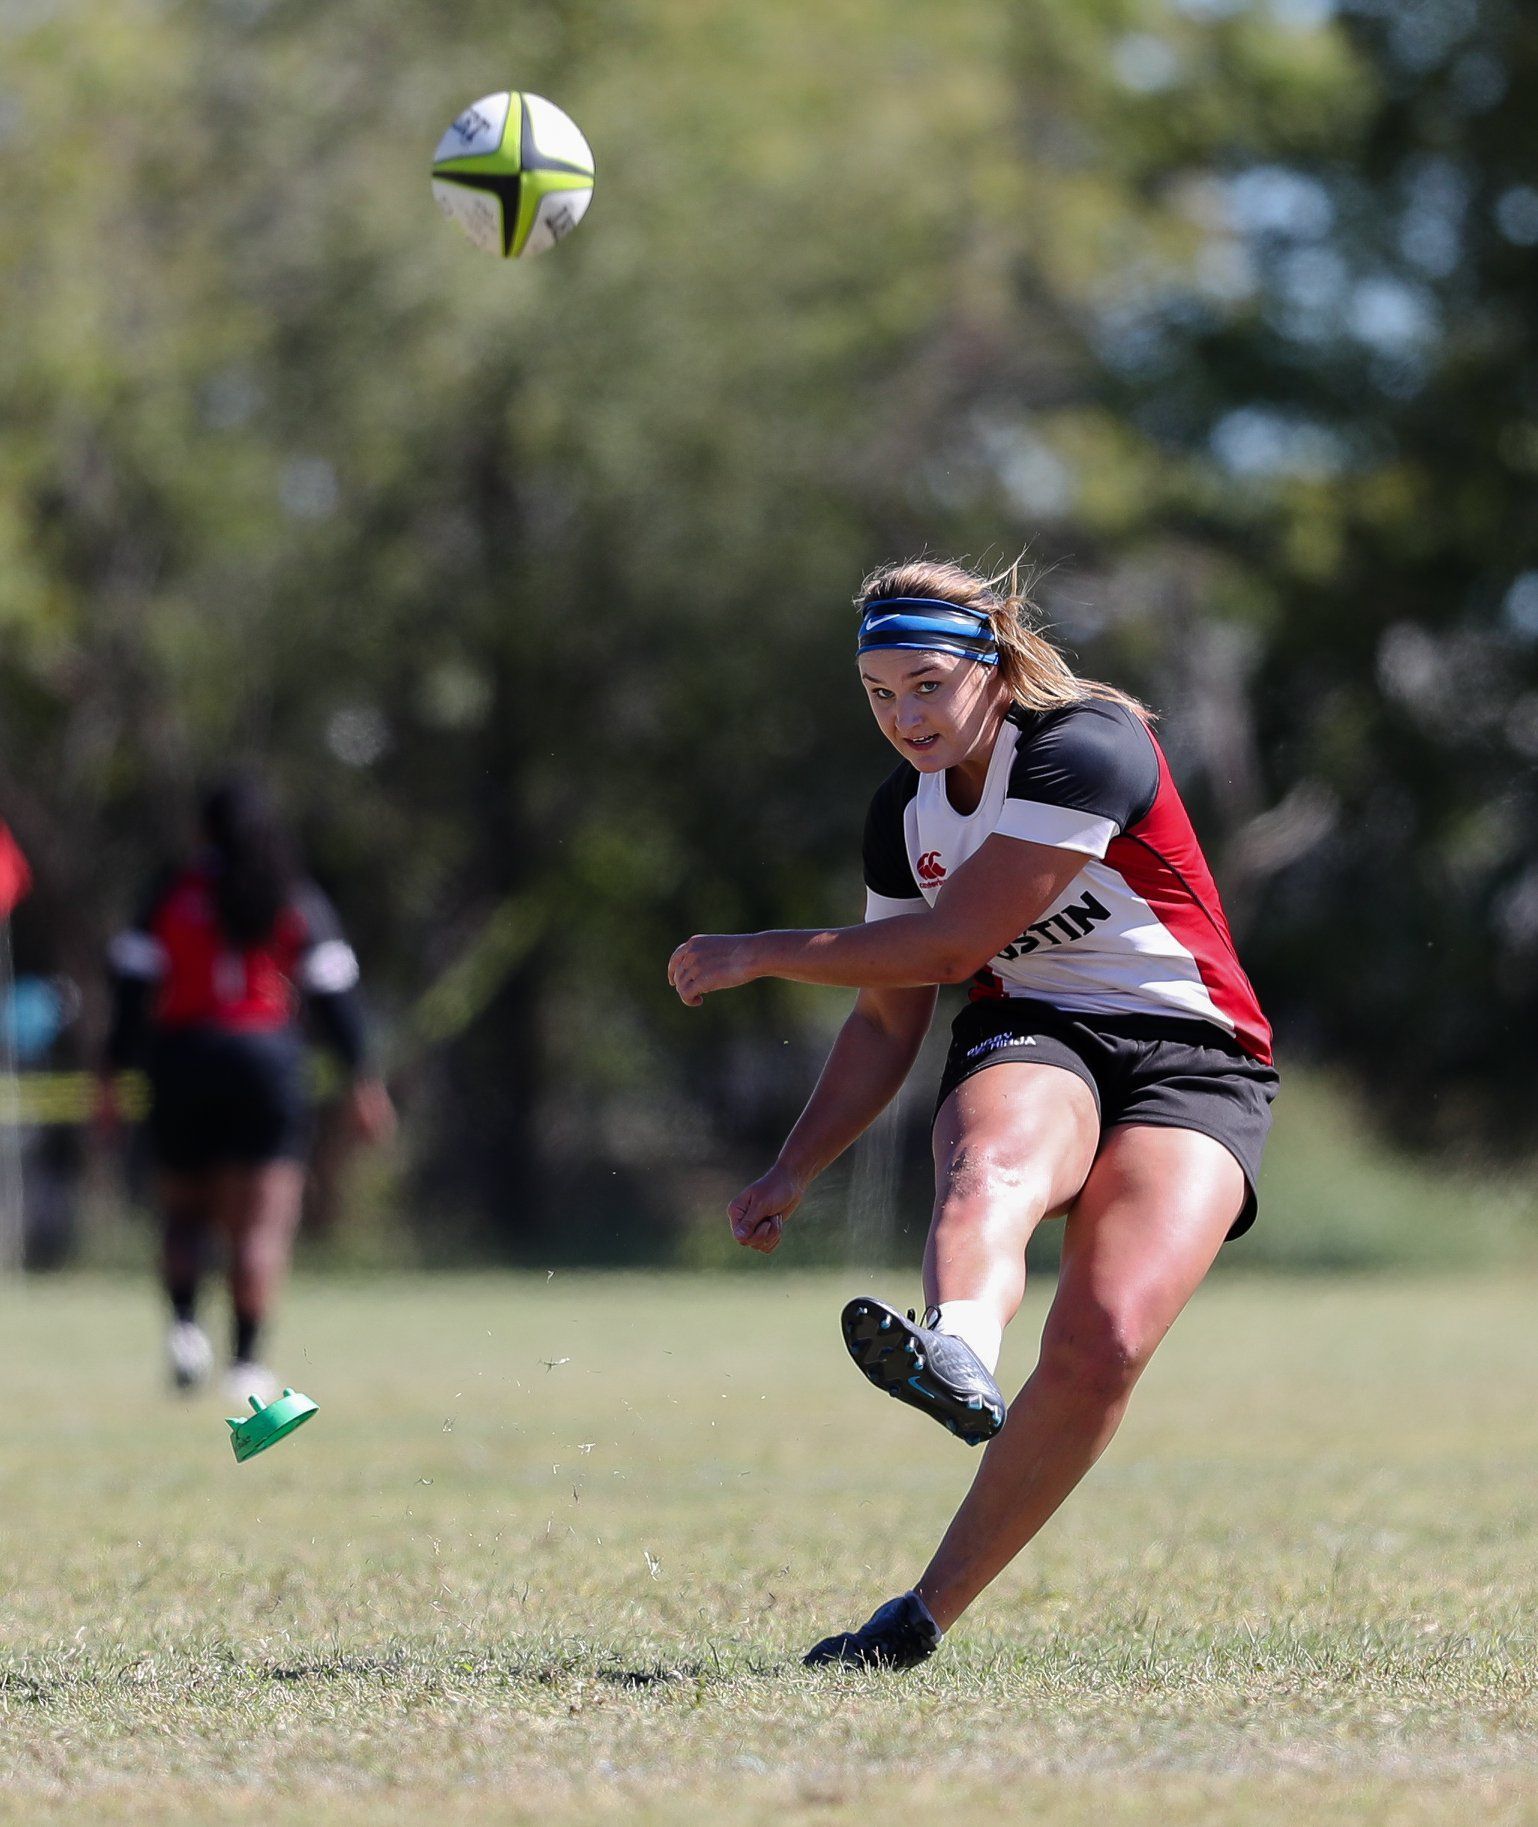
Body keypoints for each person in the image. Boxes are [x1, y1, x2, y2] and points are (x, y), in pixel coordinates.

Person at [667, 557, 1278, 1670]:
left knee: (1105, 1343)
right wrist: (793, 1168)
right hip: (1035, 1029)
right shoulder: (902, 814)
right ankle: (954, 1349)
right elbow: (888, 1020)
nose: (903, 717)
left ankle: (915, 1621)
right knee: (991, 1166)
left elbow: (948, 945)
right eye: (878, 694)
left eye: (927, 685)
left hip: (1198, 1055)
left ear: (991, 666)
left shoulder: (1085, 744)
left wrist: (756, 952)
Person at [104, 777, 394, 1401]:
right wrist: (364, 1082)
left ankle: (185, 1330)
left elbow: (130, 990)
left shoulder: (171, 890)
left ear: (202, 830)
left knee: (183, 1212)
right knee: (260, 1226)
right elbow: (335, 997)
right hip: (266, 1062)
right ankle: (246, 1367)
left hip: (182, 1058)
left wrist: (111, 1072)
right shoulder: (291, 894)